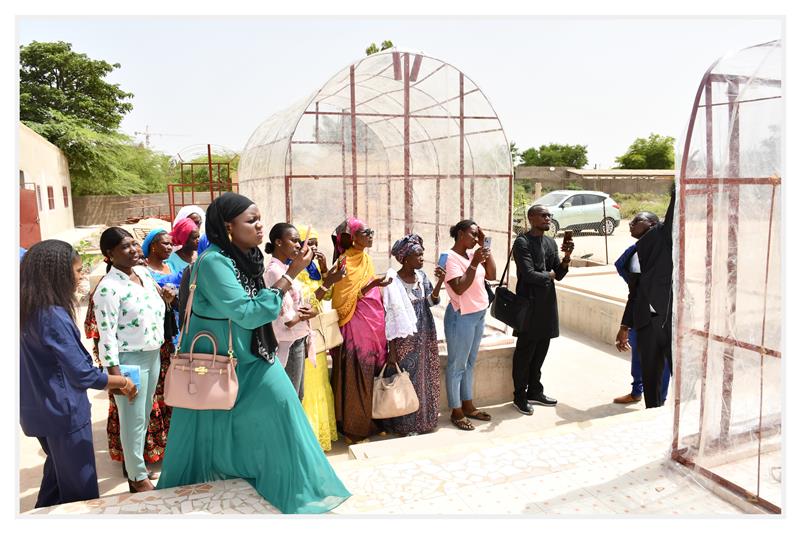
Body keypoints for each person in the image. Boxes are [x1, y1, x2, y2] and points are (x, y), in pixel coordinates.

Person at [158, 192, 350, 514]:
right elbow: (248, 312)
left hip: (255, 355)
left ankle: (295, 489)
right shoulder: (214, 263)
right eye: (252, 221)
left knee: (284, 410)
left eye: (260, 218)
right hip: (221, 360)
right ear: (228, 226)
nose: (260, 226)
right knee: (207, 425)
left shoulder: (246, 259)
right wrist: (291, 274)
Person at [21, 240, 137, 508]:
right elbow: (82, 373)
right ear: (57, 275)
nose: (81, 276)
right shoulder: (52, 315)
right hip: (65, 412)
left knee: (56, 479)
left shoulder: (26, 309)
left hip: (39, 411)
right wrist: (121, 381)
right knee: (80, 492)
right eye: (76, 271)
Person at [84, 234, 176, 475]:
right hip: (129, 361)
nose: (134, 249)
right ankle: (136, 476)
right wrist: (116, 376)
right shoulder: (108, 288)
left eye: (134, 243)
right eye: (125, 247)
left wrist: (166, 297)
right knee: (132, 420)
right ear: (109, 255)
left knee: (143, 416)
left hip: (153, 355)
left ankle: (138, 470)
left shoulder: (144, 275)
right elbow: (106, 335)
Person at [330, 217, 391, 444]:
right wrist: (374, 284)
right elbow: (341, 297)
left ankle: (368, 422)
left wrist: (376, 286)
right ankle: (353, 429)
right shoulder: (344, 262)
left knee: (370, 373)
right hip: (355, 324)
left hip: (372, 323)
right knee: (356, 373)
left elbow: (370, 291)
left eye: (372, 231)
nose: (371, 235)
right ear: (353, 238)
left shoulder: (365, 258)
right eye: (366, 232)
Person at [510, 205, 574, 416]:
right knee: (525, 353)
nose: (548, 218)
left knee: (540, 352)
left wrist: (566, 258)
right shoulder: (522, 242)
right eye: (543, 215)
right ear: (531, 218)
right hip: (529, 306)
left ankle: (535, 391)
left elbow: (560, 272)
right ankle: (520, 395)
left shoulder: (550, 242)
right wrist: (551, 275)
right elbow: (528, 274)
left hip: (547, 305)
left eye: (549, 216)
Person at [615, 189, 676, 408]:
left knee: (667, 367)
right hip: (644, 321)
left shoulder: (663, 236)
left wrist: (676, 187)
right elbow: (635, 294)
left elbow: (674, 213)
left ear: (652, 224)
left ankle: (665, 403)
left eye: (636, 220)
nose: (630, 224)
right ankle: (652, 406)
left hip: (667, 318)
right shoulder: (633, 254)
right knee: (648, 368)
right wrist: (625, 325)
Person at [381, 234, 445, 436]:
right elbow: (389, 317)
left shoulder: (422, 276)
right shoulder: (393, 281)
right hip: (404, 339)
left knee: (425, 377)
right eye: (418, 255)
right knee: (406, 379)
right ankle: (405, 425)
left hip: (425, 334)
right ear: (406, 258)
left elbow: (431, 302)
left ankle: (424, 422)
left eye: (422, 255)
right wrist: (391, 350)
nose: (422, 259)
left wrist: (439, 282)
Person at [294, 224, 346, 452]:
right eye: (309, 243)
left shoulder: (315, 268)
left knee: (320, 381)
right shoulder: (294, 269)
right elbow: (306, 300)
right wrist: (326, 282)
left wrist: (325, 272)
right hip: (302, 333)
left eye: (315, 242)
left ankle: (321, 433)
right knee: (308, 383)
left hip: (318, 335)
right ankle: (309, 437)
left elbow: (330, 295)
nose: (313, 247)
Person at [443, 219, 497, 431]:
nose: (476, 239)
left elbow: (491, 274)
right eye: (473, 235)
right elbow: (459, 288)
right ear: (460, 234)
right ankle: (456, 411)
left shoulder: (472, 254)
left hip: (478, 314)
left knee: (470, 362)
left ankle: (468, 405)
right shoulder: (449, 258)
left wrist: (485, 247)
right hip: (461, 316)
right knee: (457, 365)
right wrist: (475, 263)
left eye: (478, 236)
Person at [264, 223, 318, 399]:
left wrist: (307, 310)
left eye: (299, 241)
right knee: (291, 398)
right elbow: (288, 320)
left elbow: (296, 306)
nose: (298, 245)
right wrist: (306, 313)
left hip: (297, 339)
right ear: (278, 242)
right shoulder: (274, 272)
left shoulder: (285, 269)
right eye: (294, 240)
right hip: (288, 342)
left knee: (297, 396)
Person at [612, 241, 671, 405]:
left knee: (661, 361)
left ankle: (660, 400)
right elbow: (619, 264)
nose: (631, 224)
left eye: (638, 221)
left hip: (661, 312)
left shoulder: (665, 251)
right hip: (641, 309)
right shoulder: (636, 251)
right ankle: (637, 391)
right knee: (637, 353)